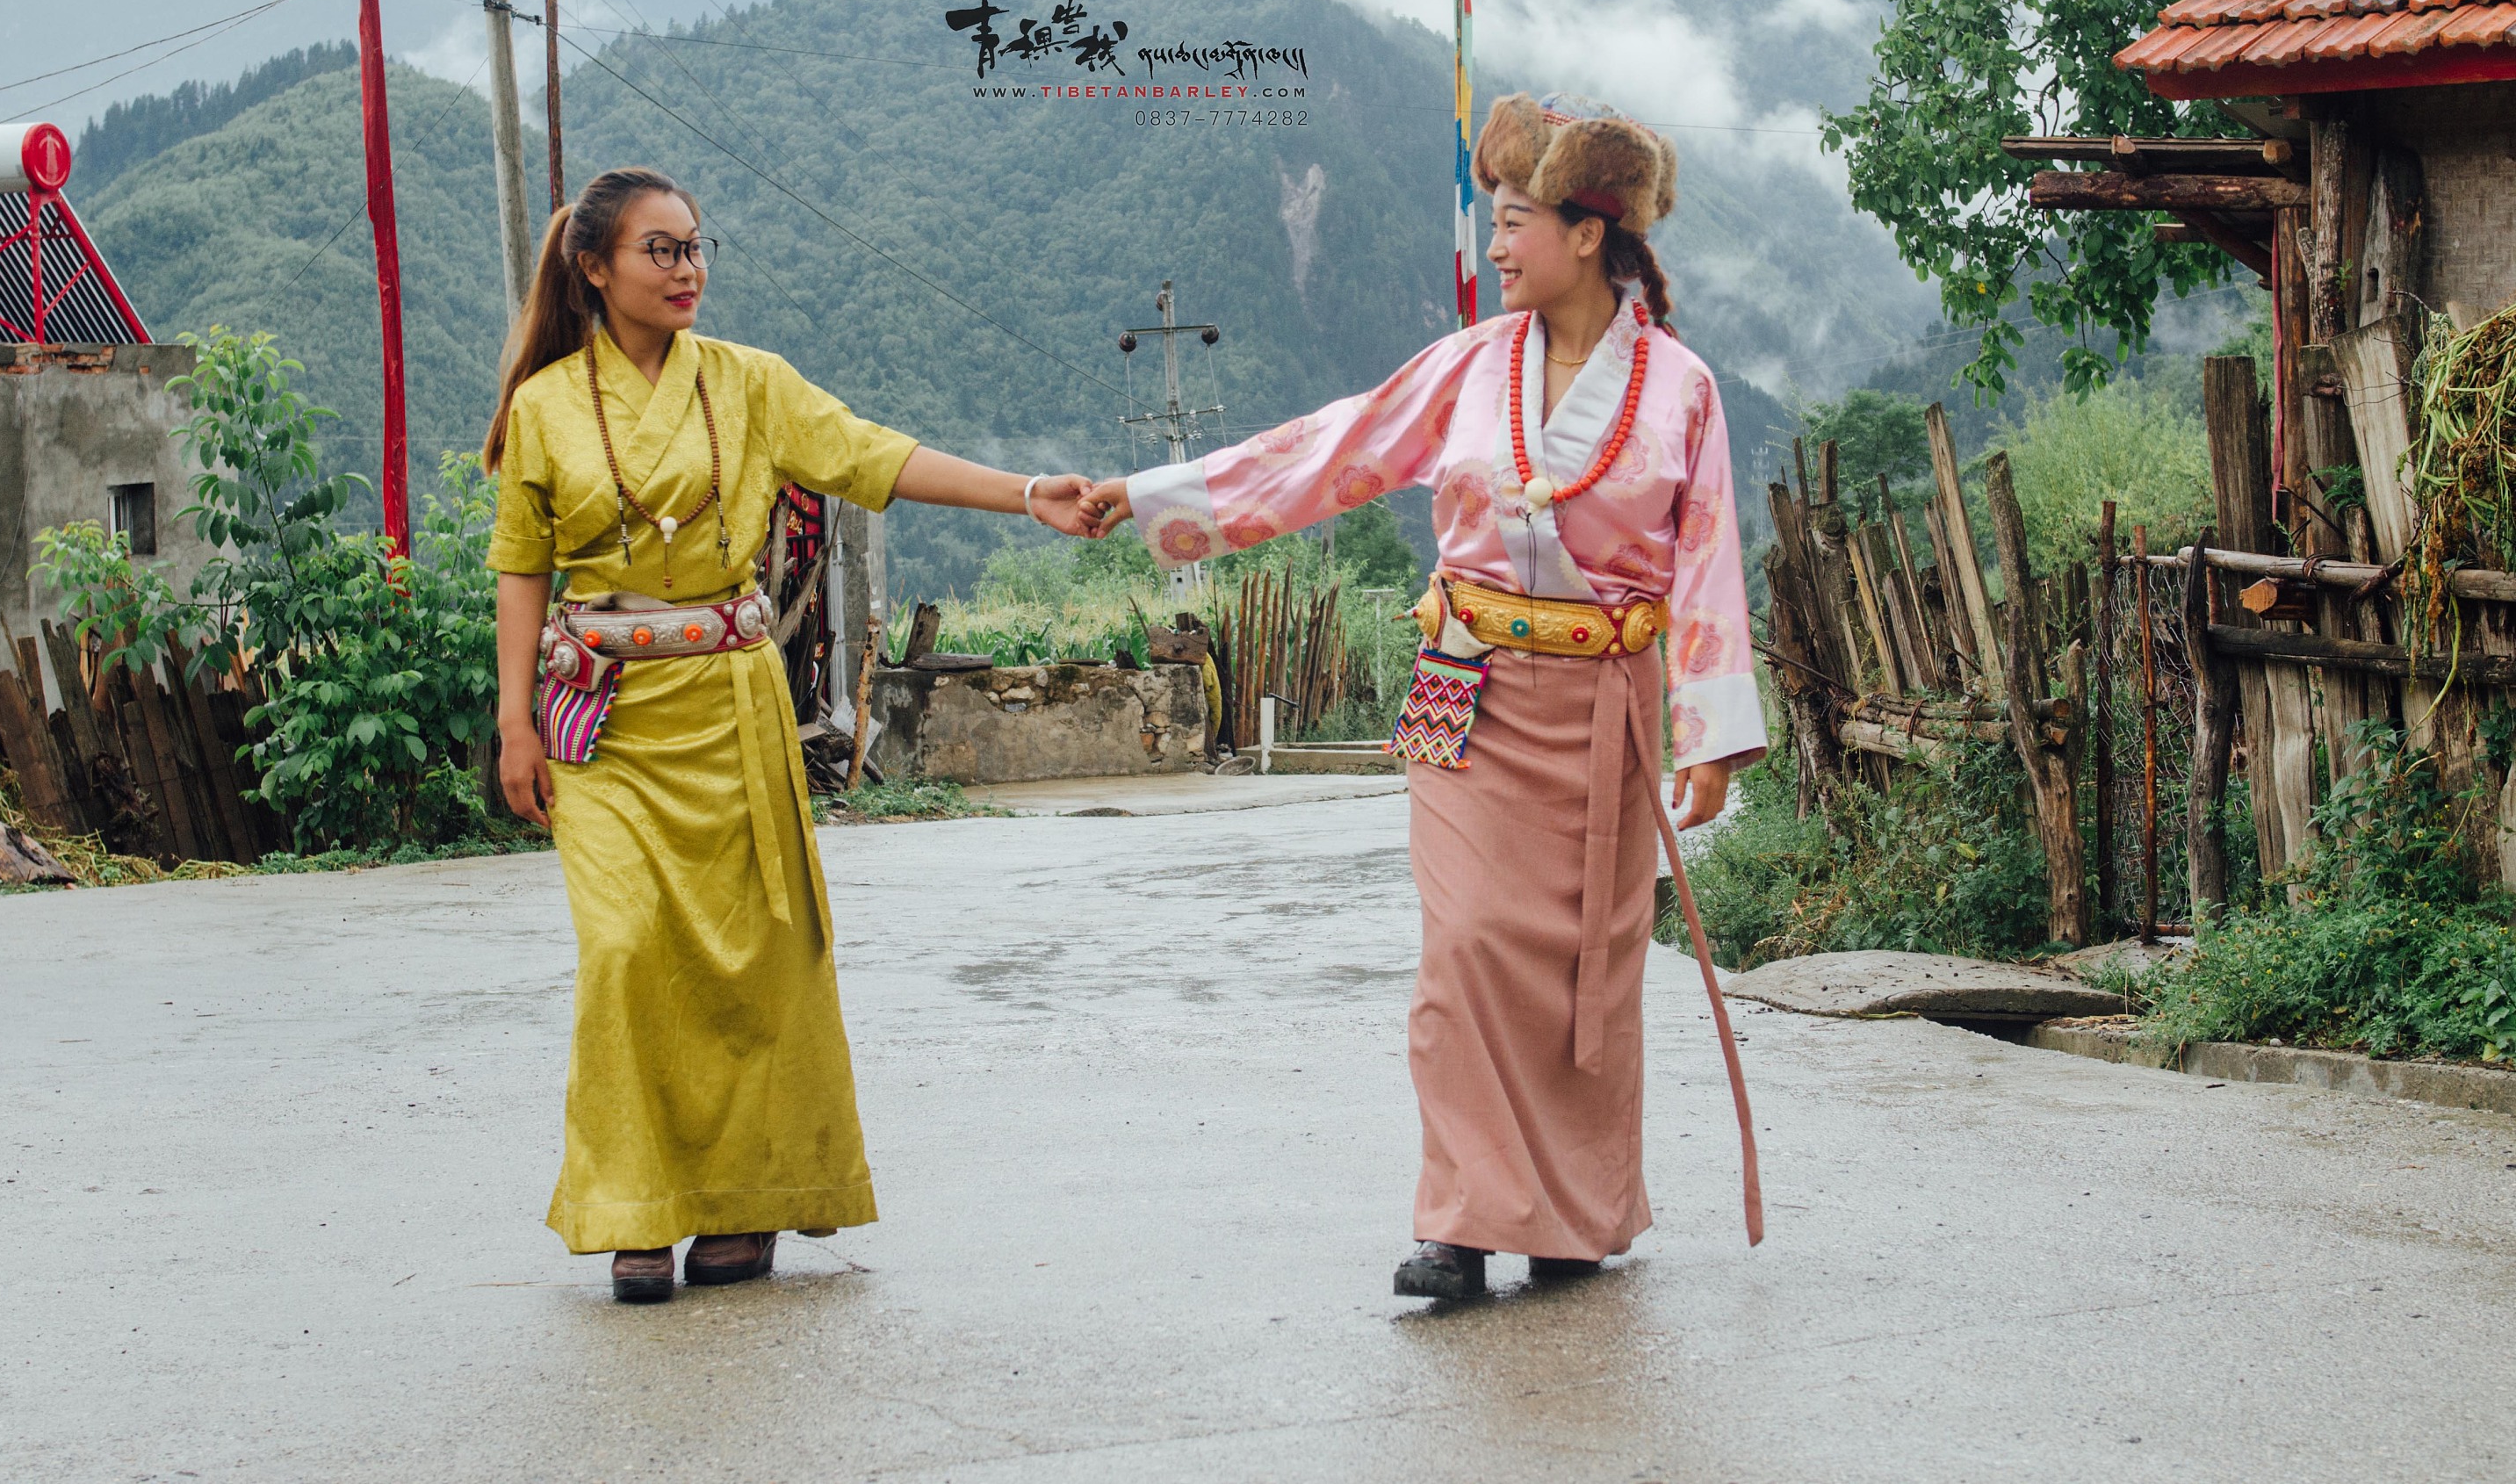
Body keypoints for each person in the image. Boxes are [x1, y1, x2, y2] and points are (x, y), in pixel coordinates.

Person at [1085, 94, 1765, 1297]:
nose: (1495, 248)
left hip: (1608, 697)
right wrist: (1151, 500)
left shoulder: (1681, 389)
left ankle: (1568, 1218)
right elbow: (1326, 450)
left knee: (1582, 972)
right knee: (1463, 949)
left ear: (1589, 232)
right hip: (1471, 689)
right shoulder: (1467, 368)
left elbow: (1707, 558)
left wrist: (1707, 732)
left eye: (1513, 223)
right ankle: (1458, 1216)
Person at [483, 166, 1101, 1303]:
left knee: (758, 961)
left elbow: (877, 458)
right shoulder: (545, 407)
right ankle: (635, 1207)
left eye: (696, 247)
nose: (687, 270)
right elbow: (523, 565)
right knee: (625, 956)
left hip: (729, 705)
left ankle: (747, 1202)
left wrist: (1027, 494)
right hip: (600, 722)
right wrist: (512, 717)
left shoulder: (752, 385)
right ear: (594, 268)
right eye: (660, 251)